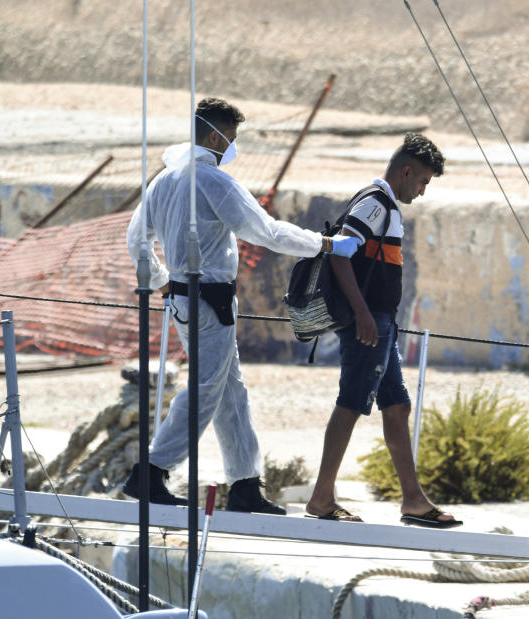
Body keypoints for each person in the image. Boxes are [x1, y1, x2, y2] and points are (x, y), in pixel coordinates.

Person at [123, 97, 359, 514]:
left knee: (231, 393)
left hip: (182, 300)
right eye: (230, 138)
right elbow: (266, 231)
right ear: (214, 136)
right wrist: (324, 244)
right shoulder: (214, 182)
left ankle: (245, 484)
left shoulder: (162, 181)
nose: (232, 146)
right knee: (206, 389)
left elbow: (134, 238)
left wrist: (162, 282)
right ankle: (151, 471)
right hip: (210, 301)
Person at [304, 134, 462, 528]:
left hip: (379, 324)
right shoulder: (376, 204)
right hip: (369, 325)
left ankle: (413, 500)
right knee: (352, 402)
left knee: (397, 405)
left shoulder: (385, 204)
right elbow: (341, 253)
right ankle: (321, 498)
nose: (422, 191)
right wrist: (362, 314)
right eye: (423, 181)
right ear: (406, 171)